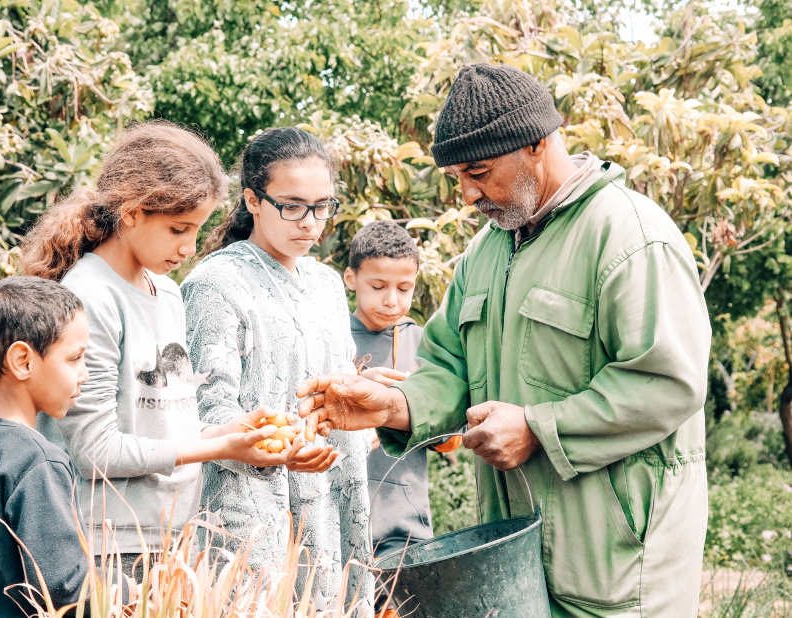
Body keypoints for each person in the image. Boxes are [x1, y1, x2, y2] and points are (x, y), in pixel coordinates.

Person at [297, 63, 711, 617]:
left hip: (619, 572)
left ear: (537, 145)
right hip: (515, 560)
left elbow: (667, 382)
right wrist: (395, 406)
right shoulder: (487, 253)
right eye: (458, 177)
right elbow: (448, 365)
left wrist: (540, 428)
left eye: (479, 172)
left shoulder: (631, 236)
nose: (467, 194)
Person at [19, 121, 296, 579]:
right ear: (131, 211)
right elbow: (95, 452)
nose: (189, 247)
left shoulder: (166, 292)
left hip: (170, 538)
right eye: (177, 229)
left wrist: (228, 436)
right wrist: (219, 446)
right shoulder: (91, 296)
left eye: (197, 230)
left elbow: (166, 425)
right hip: (107, 547)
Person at [181, 127, 374, 614]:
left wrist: (368, 394)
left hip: (334, 500)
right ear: (252, 199)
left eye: (322, 206)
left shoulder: (328, 284)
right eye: (292, 206)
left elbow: (337, 379)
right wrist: (280, 446)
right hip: (251, 510)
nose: (310, 223)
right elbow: (207, 410)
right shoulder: (215, 283)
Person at [0, 276, 131, 617]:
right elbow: (65, 589)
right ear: (23, 361)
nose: (85, 374)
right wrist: (135, 587)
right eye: (75, 358)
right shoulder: (38, 461)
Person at [345, 221, 461, 618]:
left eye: (404, 288)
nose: (391, 300)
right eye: (378, 287)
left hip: (403, 524)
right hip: (336, 519)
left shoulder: (426, 344)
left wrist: (414, 405)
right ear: (351, 279)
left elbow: (451, 439)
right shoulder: (330, 337)